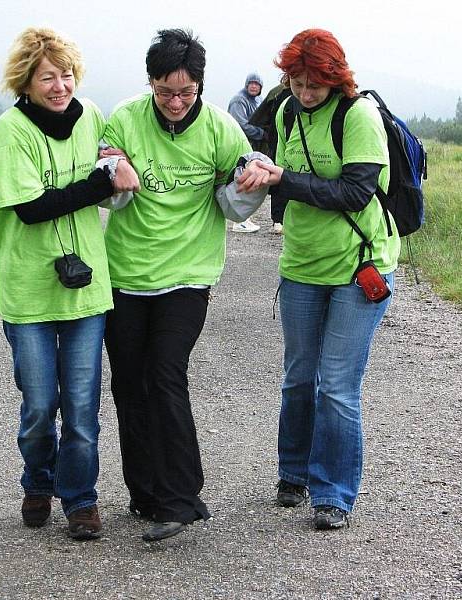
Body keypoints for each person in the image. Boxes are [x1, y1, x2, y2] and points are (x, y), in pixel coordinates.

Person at [101, 28, 271, 542]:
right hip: (126, 275)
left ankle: (180, 498)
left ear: (200, 84)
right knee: (129, 383)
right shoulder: (125, 118)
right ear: (150, 83)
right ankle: (144, 493)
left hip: (188, 277)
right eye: (164, 91)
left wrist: (251, 181)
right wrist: (113, 170)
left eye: (186, 92)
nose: (175, 102)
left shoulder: (221, 129)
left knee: (165, 372)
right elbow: (109, 191)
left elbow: (239, 192)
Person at [0, 27, 139, 540]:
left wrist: (119, 162)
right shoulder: (10, 130)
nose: (59, 85)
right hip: (28, 287)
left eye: (66, 74)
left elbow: (114, 156)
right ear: (25, 82)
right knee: (38, 405)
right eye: (47, 77)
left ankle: (81, 499)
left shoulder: (90, 115)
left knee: (81, 404)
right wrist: (100, 181)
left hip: (86, 287)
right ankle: (36, 479)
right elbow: (30, 208)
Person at [256, 29, 400, 530]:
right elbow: (270, 158)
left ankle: (333, 493)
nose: (306, 91)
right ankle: (292, 474)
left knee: (336, 386)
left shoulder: (358, 116)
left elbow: (356, 192)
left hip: (360, 265)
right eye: (296, 81)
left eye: (315, 82)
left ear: (336, 77)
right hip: (301, 265)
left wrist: (282, 180)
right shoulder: (286, 111)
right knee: (298, 377)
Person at [248, 83, 293, 234]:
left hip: (284, 141)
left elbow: (258, 118)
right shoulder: (278, 93)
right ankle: (278, 220)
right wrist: (267, 134)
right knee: (279, 177)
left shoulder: (277, 92)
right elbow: (258, 118)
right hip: (279, 142)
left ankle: (281, 220)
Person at [227, 72, 265, 233]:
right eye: (251, 83)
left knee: (249, 182)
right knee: (239, 180)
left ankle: (244, 218)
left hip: (252, 147)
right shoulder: (239, 100)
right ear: (246, 84)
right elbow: (240, 125)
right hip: (239, 145)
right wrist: (262, 134)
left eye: (257, 84)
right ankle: (238, 221)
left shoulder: (257, 100)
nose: (254, 86)